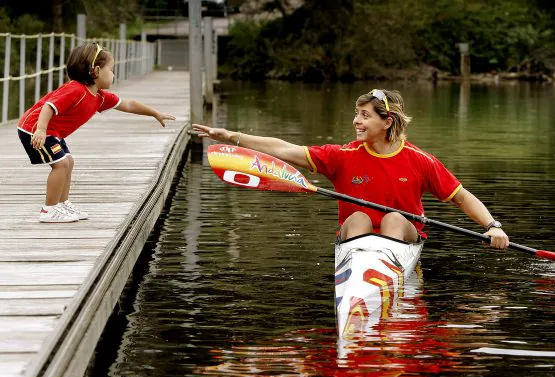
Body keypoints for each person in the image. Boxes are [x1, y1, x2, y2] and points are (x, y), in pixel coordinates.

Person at [192, 89, 508, 249]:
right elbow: (283, 150)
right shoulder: (342, 155)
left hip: (402, 240)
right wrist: (233, 136)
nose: (356, 121)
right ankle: (360, 274)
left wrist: (493, 225)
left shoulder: (420, 160)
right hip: (355, 244)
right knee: (357, 217)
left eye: (364, 116)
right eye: (356, 114)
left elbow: (462, 197)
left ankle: (386, 270)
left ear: (387, 122)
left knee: (394, 218)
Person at [17, 42, 176, 223]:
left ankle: (62, 204)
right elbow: (48, 106)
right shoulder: (75, 89)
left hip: (53, 131)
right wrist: (41, 129)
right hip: (34, 129)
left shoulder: (99, 97)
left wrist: (154, 113)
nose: (113, 74)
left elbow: (128, 104)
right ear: (97, 71)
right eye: (111, 69)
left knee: (68, 161)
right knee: (60, 164)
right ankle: (49, 210)